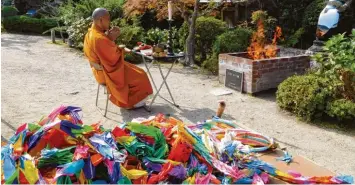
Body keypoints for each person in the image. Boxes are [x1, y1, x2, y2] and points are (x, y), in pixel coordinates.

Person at [83, 8, 153, 109]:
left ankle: (134, 99)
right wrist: (117, 44)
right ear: (101, 20)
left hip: (99, 71)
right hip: (106, 73)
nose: (109, 22)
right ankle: (131, 103)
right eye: (108, 19)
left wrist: (110, 39)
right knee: (141, 75)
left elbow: (105, 53)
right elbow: (113, 58)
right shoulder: (99, 38)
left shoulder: (90, 33)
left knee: (137, 71)